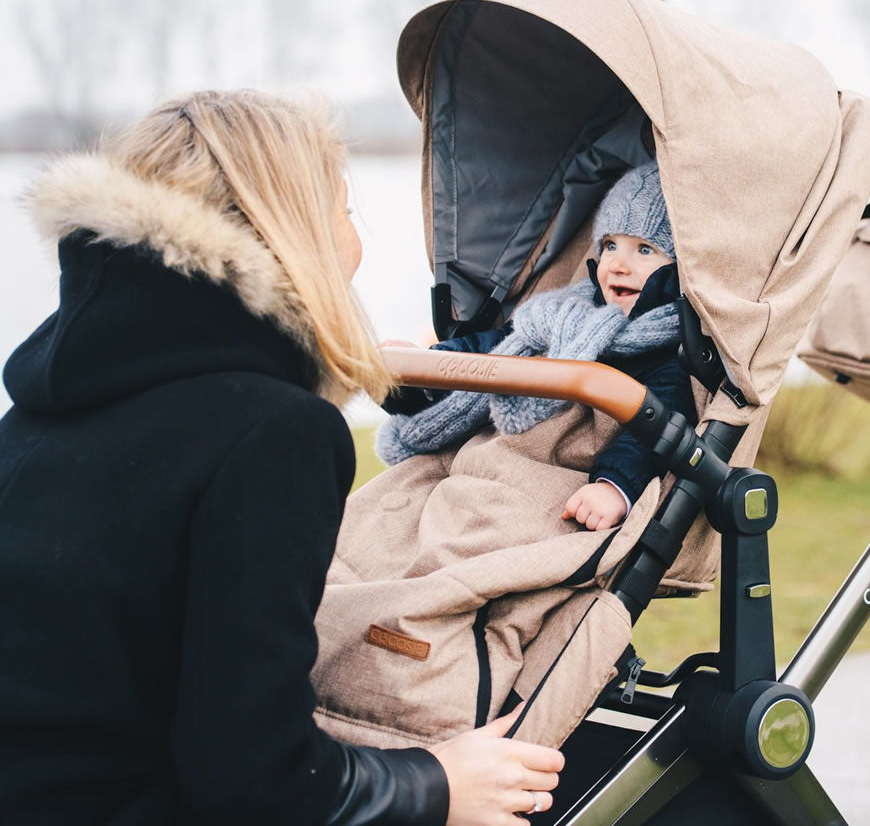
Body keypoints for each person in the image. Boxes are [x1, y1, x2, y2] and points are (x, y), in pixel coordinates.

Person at [0, 90, 563, 826]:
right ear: (298, 231)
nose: (354, 239)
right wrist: (436, 784)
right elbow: (255, 777)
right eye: (344, 210)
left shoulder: (45, 402)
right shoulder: (270, 433)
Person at [377, 162, 696, 527]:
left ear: (679, 269)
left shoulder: (666, 351)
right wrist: (428, 366)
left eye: (644, 250)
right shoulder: (559, 312)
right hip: (489, 459)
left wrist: (614, 486)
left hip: (554, 479)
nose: (618, 264)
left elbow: (656, 428)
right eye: (610, 245)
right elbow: (494, 347)